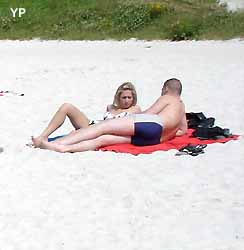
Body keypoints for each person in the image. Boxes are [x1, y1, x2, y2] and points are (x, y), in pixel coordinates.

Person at [32, 78, 188, 153]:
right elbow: (183, 130)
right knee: (103, 139)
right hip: (156, 138)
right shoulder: (181, 106)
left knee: (102, 128)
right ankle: (63, 149)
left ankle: (56, 142)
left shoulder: (167, 98)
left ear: (166, 89)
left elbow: (149, 115)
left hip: (153, 125)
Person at [31, 82, 141, 146]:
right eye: (124, 97)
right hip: (92, 126)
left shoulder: (134, 109)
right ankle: (43, 136)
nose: (126, 100)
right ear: (118, 98)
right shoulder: (110, 107)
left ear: (133, 98)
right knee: (67, 106)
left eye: (129, 97)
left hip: (104, 132)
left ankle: (44, 142)